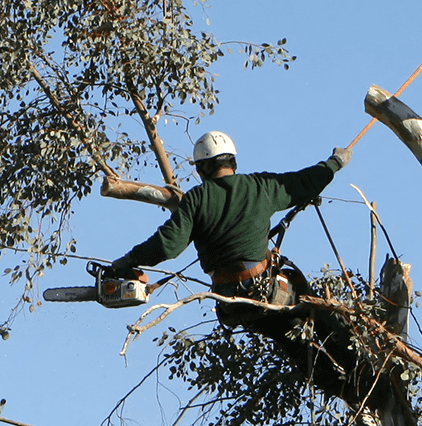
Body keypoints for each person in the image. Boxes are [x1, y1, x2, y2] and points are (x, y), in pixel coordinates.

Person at [112, 130, 352, 326]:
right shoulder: (260, 187)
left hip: (230, 302)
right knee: (319, 315)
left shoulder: (196, 199)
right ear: (233, 161)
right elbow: (304, 182)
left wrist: (129, 260)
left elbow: (167, 245)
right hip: (267, 291)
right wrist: (334, 163)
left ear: (202, 168)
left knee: (289, 339)